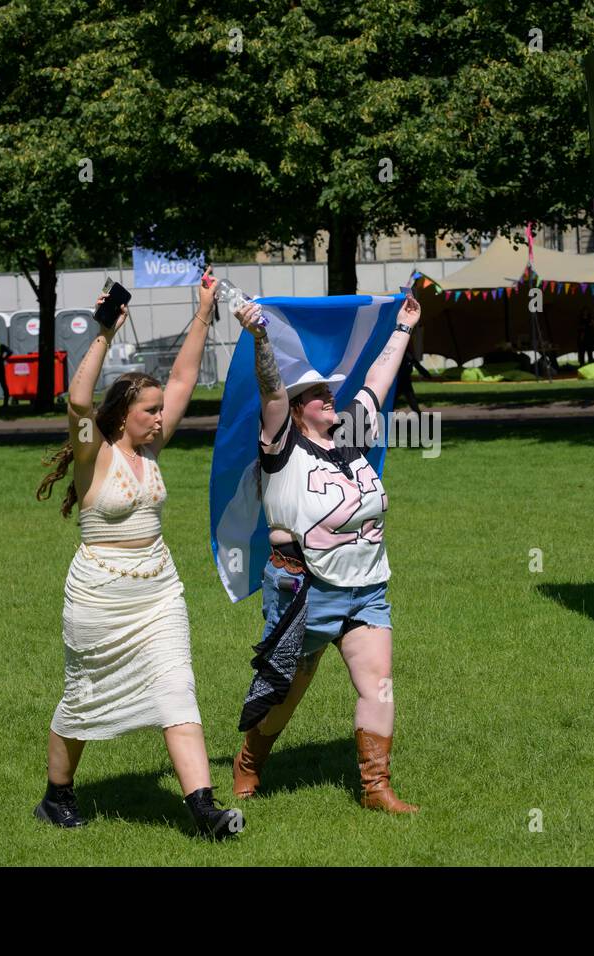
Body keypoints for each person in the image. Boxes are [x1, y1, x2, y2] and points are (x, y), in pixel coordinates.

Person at [33, 267, 243, 838]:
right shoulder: (92, 455)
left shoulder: (152, 448)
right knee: (84, 700)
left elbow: (182, 376)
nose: (158, 417)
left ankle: (203, 812)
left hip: (158, 591)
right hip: (100, 597)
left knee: (177, 688)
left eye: (158, 411)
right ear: (124, 413)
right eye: (147, 410)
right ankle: (57, 796)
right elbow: (78, 401)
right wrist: (104, 331)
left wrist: (204, 309)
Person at [230, 293, 423, 814]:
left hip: (366, 588)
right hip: (305, 590)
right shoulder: (282, 447)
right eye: (316, 394)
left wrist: (403, 327)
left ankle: (375, 788)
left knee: (378, 685)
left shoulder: (352, 437)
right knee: (287, 692)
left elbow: (377, 384)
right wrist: (261, 337)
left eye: (327, 391)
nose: (328, 397)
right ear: (296, 410)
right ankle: (249, 760)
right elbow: (271, 390)